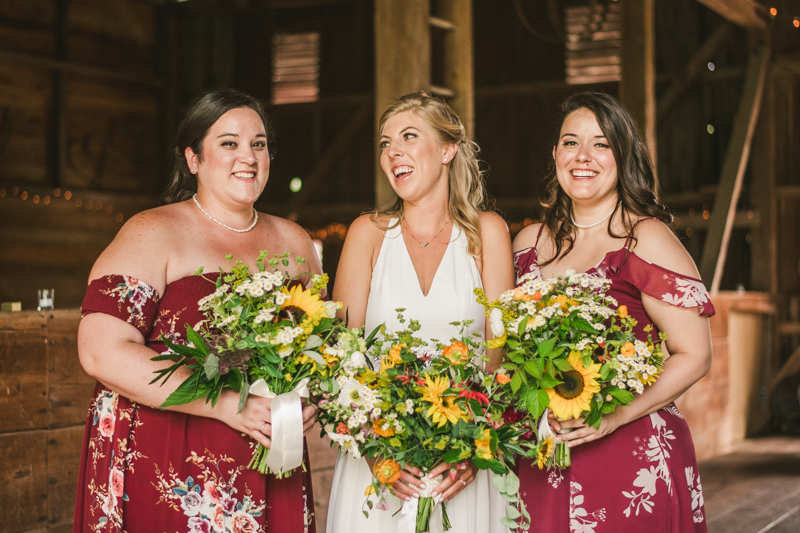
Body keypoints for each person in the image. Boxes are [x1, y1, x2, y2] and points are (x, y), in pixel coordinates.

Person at [75, 89, 320, 533]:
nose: (247, 156)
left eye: (258, 144)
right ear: (193, 159)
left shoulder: (295, 242)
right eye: (229, 143)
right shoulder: (152, 231)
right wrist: (226, 404)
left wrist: (311, 399)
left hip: (271, 457)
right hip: (168, 458)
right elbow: (101, 352)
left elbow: (322, 346)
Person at [512, 92, 713, 531]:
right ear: (555, 154)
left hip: (631, 459)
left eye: (601, 144)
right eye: (571, 142)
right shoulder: (526, 244)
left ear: (623, 155)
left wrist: (616, 414)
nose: (583, 156)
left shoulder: (646, 239)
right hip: (541, 453)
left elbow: (695, 354)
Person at [326, 92, 515, 533]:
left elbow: (501, 353)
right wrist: (374, 450)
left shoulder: (488, 233)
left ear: (448, 150)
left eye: (409, 136)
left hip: (463, 463)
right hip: (379, 466)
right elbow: (342, 355)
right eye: (385, 142)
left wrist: (476, 448)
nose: (393, 152)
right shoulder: (367, 234)